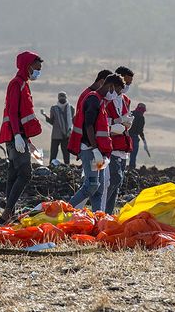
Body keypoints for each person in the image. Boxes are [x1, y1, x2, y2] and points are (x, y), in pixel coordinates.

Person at [0, 51, 44, 225]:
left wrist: (27, 141)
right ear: (28, 66)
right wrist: (17, 135)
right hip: (14, 135)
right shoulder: (16, 84)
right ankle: (8, 213)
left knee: (14, 173)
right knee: (25, 173)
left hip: (19, 136)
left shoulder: (23, 84)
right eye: (36, 69)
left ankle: (10, 215)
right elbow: (13, 112)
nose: (38, 72)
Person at [68, 74, 125, 211]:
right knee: (91, 185)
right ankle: (65, 209)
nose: (115, 95)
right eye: (116, 91)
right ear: (110, 86)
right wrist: (95, 149)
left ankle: (97, 219)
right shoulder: (93, 99)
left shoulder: (100, 101)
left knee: (98, 188)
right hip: (90, 150)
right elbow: (88, 126)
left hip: (98, 152)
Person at [104, 67, 135, 213]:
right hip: (111, 145)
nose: (127, 86)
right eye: (125, 83)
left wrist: (127, 123)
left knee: (118, 182)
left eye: (129, 84)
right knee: (113, 179)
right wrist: (116, 122)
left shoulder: (126, 100)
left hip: (123, 144)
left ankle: (108, 213)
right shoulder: (107, 98)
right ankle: (102, 210)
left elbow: (125, 118)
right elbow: (102, 120)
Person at [41, 92, 74, 165]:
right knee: (54, 153)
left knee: (65, 154)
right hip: (58, 135)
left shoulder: (70, 108)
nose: (62, 98)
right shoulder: (54, 108)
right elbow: (53, 121)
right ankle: (52, 167)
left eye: (63, 97)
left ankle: (66, 167)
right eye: (61, 97)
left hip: (65, 135)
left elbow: (52, 121)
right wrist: (45, 115)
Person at [128, 103, 148, 170]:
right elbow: (140, 131)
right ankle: (131, 168)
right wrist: (144, 141)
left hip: (126, 136)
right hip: (134, 137)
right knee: (133, 155)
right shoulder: (141, 117)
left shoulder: (130, 113)